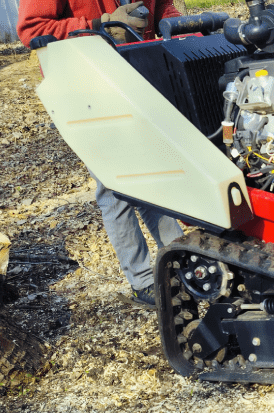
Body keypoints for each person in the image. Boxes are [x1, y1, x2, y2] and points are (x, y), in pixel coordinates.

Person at [17, 0, 185, 308]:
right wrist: (100, 25)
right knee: (115, 184)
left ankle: (183, 260)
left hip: (140, 75)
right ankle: (143, 281)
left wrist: (179, 30)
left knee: (159, 171)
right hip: (84, 86)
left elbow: (164, 9)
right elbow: (32, 29)